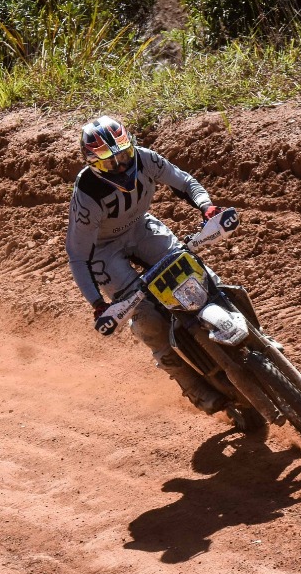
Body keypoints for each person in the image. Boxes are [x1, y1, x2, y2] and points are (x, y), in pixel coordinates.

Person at [65, 115, 227, 414]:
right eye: (110, 162)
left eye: (125, 154)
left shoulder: (146, 158)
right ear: (93, 164)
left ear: (132, 145)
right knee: (146, 315)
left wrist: (207, 206)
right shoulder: (87, 194)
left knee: (196, 271)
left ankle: (253, 331)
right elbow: (78, 255)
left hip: (139, 227)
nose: (121, 166)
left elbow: (184, 181)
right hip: (104, 250)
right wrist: (97, 304)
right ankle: (191, 385)